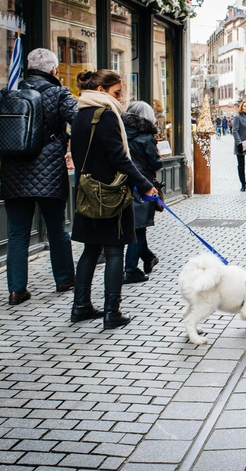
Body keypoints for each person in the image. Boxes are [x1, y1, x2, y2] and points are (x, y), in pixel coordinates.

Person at [0, 48, 78, 306]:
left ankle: (16, 290)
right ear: (53, 70)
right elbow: (80, 121)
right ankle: (65, 279)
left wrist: (4, 159)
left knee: (17, 234)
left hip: (13, 174)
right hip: (50, 174)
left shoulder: (7, 95)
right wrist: (68, 149)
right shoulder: (58, 93)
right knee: (57, 229)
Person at [70, 69, 157, 329]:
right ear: (101, 91)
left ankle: (81, 305)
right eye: (117, 93)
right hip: (110, 193)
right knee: (115, 250)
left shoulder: (80, 115)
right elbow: (119, 157)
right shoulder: (106, 115)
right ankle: (112, 311)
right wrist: (145, 185)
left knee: (90, 249)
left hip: (87, 191)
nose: (121, 99)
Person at [121, 101, 163, 284]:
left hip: (123, 182)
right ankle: (130, 269)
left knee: (137, 226)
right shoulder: (147, 137)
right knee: (138, 227)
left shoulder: (120, 132)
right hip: (142, 184)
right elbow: (154, 163)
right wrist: (159, 157)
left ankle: (147, 257)